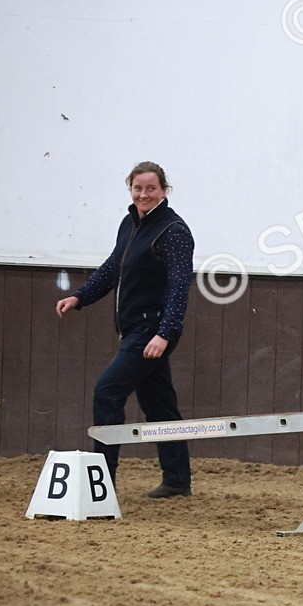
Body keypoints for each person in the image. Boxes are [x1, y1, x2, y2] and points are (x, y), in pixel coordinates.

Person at [56, 161, 195, 498]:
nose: (144, 194)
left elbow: (179, 287)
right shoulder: (130, 224)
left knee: (107, 392)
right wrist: (79, 297)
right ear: (130, 189)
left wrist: (164, 334)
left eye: (151, 188)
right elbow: (111, 269)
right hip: (135, 328)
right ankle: (177, 480)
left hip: (152, 331)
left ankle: (99, 484)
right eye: (138, 188)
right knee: (160, 405)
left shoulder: (173, 231)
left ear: (164, 190)